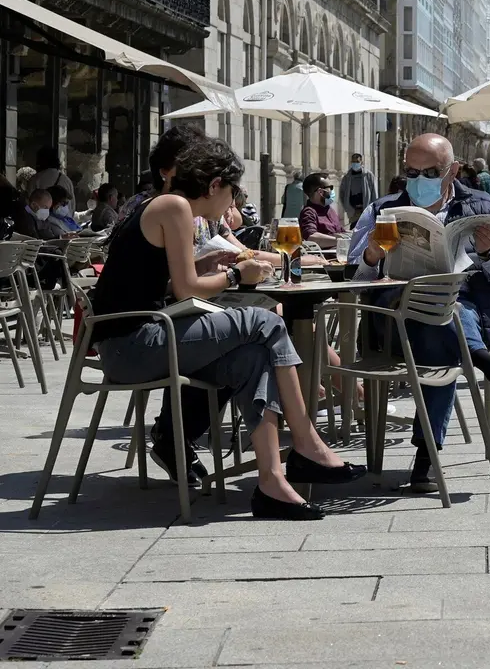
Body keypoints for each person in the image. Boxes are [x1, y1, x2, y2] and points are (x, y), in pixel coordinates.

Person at [91, 137, 363, 520]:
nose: (233, 202)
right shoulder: (174, 206)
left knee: (252, 357)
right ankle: (307, 444)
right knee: (267, 321)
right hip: (132, 343)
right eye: (233, 191)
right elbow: (186, 290)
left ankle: (272, 483)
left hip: (136, 341)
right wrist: (237, 274)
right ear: (215, 184)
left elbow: (160, 283)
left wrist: (208, 268)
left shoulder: (168, 206)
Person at [349, 133, 490, 493]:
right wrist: (371, 256)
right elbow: (353, 282)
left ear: (452, 171)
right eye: (411, 173)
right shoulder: (381, 211)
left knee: (447, 313)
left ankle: (427, 453)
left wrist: (489, 253)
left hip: (458, 314)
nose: (419, 181)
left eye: (430, 173)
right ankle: (489, 367)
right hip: (394, 323)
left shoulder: (482, 206)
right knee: (441, 316)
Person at [298, 173, 344, 248]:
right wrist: (341, 242)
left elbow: (340, 232)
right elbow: (311, 237)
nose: (332, 191)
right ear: (320, 192)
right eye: (330, 187)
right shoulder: (309, 212)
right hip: (325, 254)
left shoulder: (329, 210)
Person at [340, 153, 376, 225]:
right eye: (353, 162)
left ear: (361, 162)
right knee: (354, 228)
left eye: (357, 162)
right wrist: (347, 208)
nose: (355, 164)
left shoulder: (368, 175)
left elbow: (374, 192)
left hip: (366, 209)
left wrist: (373, 208)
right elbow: (342, 194)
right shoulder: (347, 177)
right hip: (353, 211)